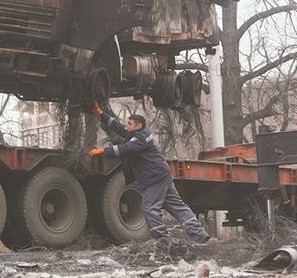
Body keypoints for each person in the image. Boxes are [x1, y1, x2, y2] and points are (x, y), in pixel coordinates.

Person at [89, 104, 210, 244]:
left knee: (149, 207)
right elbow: (118, 127)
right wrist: (101, 113)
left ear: (138, 125)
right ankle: (199, 234)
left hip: (155, 177)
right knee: (177, 206)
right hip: (161, 175)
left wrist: (102, 151)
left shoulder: (142, 137)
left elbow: (126, 148)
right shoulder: (135, 133)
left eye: (130, 124)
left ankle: (163, 240)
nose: (127, 126)